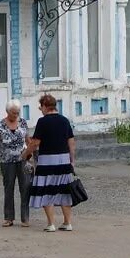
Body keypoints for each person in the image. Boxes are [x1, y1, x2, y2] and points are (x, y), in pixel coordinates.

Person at [26, 93, 76, 232]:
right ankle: (67, 222)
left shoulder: (43, 122)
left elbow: (35, 143)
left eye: (40, 107)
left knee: (46, 190)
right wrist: (72, 160)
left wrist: (25, 154)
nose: (40, 110)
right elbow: (71, 142)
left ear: (45, 106)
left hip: (47, 160)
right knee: (65, 191)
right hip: (64, 159)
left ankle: (51, 224)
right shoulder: (65, 120)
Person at [0, 99, 31, 227]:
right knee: (8, 188)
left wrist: (33, 155)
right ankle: (9, 217)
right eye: (14, 113)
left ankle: (25, 218)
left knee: (25, 188)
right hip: (7, 161)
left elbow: (28, 140)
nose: (16, 115)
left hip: (23, 159)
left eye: (18, 112)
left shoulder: (23, 123)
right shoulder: (0, 125)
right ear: (8, 112)